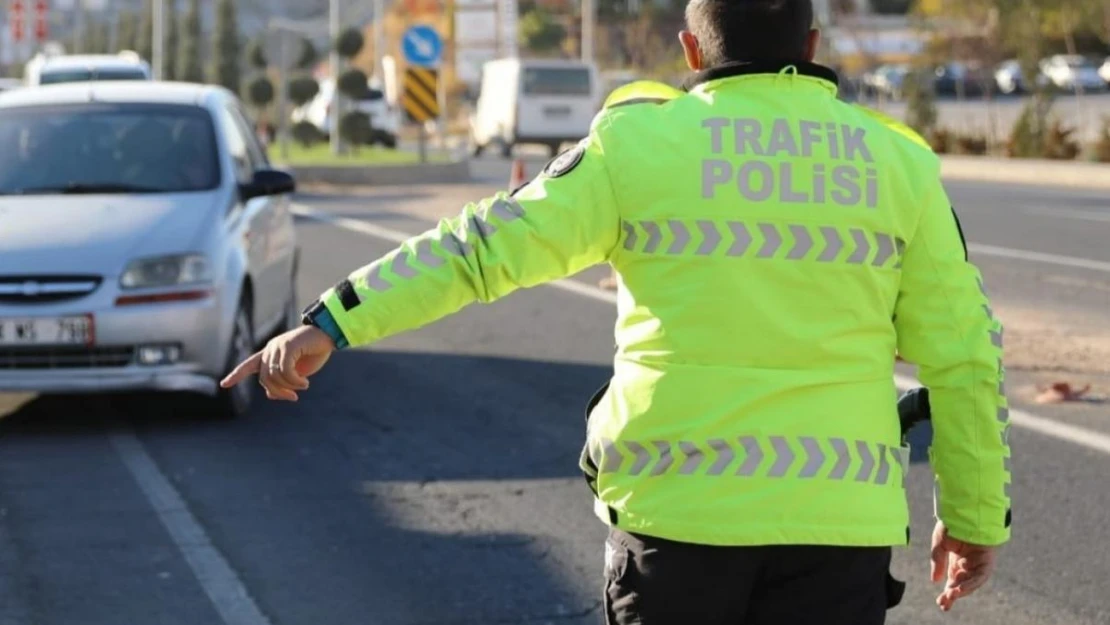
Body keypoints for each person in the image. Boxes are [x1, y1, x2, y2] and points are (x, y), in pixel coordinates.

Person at [221, 1, 1012, 622]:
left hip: (674, 527)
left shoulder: (637, 145)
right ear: (811, 46)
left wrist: (332, 321)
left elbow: (480, 250)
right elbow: (965, 357)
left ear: (691, 50)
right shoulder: (899, 165)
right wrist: (973, 518)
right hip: (839, 533)